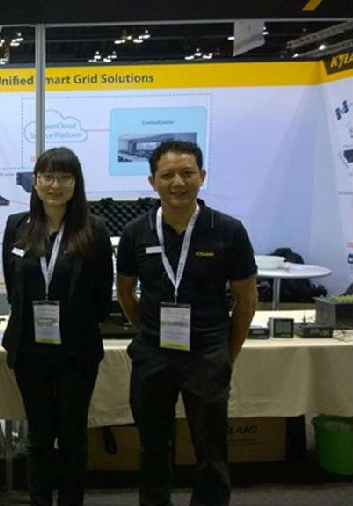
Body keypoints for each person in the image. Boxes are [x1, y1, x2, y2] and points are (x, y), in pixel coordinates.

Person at [115, 140, 258, 506]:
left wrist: (226, 352)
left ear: (202, 176)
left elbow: (246, 299)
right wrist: (148, 331)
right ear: (152, 181)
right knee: (151, 445)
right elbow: (126, 292)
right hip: (153, 355)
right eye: (167, 175)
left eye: (187, 173)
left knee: (211, 448)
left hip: (206, 354)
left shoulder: (228, 230)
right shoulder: (135, 232)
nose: (178, 182)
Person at [1, 147, 113, 506]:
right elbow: (13, 284)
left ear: (75, 183)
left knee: (72, 434)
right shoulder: (17, 226)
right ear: (35, 182)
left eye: (64, 177)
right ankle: (39, 500)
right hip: (30, 349)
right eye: (47, 176)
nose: (55, 185)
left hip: (76, 350)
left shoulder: (94, 230)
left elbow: (101, 295)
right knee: (38, 434)